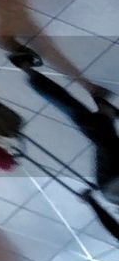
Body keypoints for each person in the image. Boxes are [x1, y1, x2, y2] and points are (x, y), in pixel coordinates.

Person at [8, 43, 119, 202]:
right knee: (99, 132)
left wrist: (94, 204)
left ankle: (27, 69)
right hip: (110, 189)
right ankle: (105, 110)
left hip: (113, 184)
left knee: (93, 128)